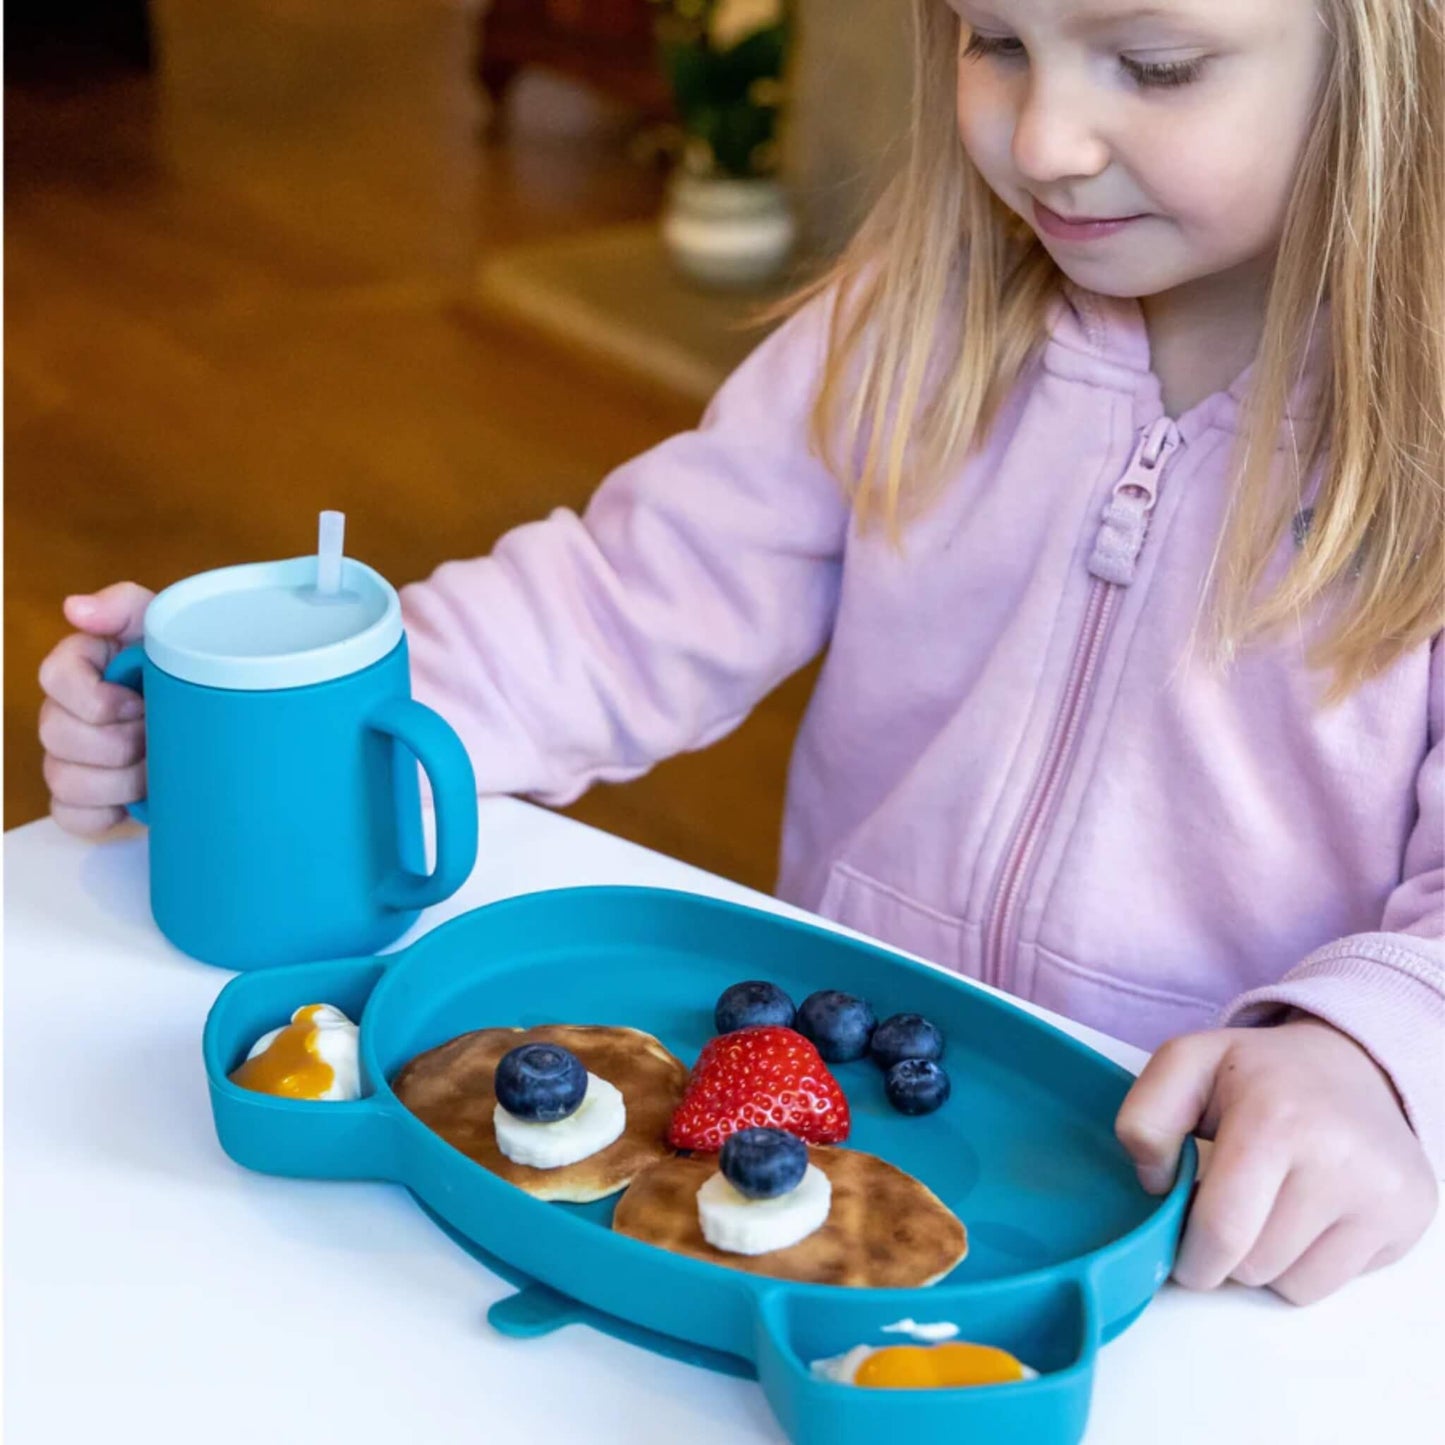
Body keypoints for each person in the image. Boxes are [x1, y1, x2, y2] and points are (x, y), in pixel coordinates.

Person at [38, 0, 1442, 1304]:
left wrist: (1373, 1056)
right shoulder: (910, 319)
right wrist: (291, 740)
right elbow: (621, 607)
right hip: (841, 1146)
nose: (1043, 142)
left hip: (1215, 1225)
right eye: (993, 39)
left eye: (1155, 66)